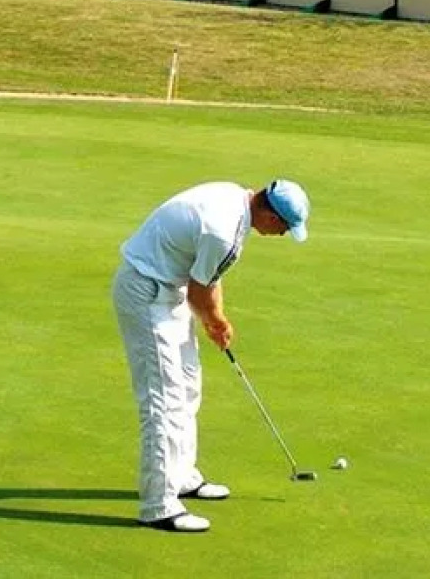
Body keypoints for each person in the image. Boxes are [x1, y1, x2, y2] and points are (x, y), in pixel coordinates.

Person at [112, 179, 310, 533]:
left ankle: (181, 475)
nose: (281, 234)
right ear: (270, 216)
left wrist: (215, 319)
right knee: (164, 400)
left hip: (168, 288)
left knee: (188, 386)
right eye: (283, 227)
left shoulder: (234, 198)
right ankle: (158, 505)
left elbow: (207, 276)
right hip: (146, 292)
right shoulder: (224, 232)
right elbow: (200, 290)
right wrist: (216, 320)